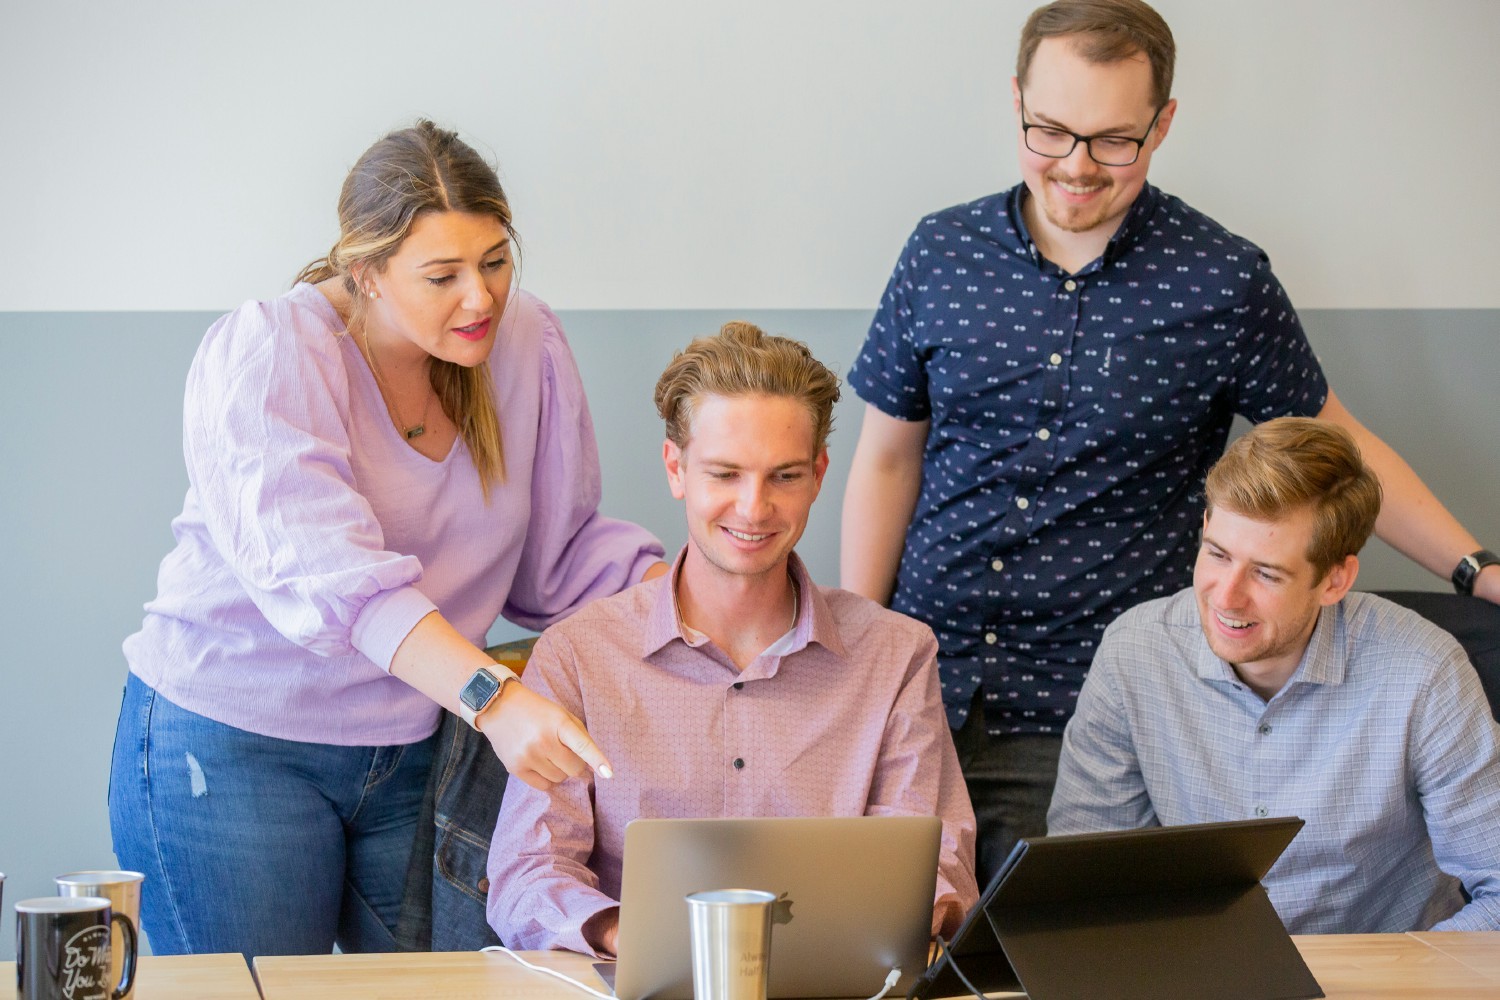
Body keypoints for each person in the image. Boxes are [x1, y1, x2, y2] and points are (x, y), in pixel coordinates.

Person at [839, 0, 1500, 886]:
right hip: (920, 690)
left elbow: (1336, 443)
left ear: (1163, 125)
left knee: (1057, 957)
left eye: (1114, 139)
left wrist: (1474, 568)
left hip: (1090, 715)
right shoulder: (941, 252)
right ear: (1017, 102)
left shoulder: (1221, 280)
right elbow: (888, 458)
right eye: (1051, 131)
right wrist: (860, 655)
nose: (1075, 166)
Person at [107, 120, 666, 959]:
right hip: (234, 750)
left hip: (412, 753)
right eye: (441, 275)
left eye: (495, 261)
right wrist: (496, 701)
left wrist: (697, 589)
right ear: (364, 272)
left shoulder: (528, 343)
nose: (479, 298)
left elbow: (556, 563)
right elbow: (340, 586)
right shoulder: (270, 351)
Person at [486, 322, 979, 955]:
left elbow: (935, 862)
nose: (753, 508)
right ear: (676, 468)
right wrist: (629, 934)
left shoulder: (897, 656)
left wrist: (903, 916)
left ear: (819, 474)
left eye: (785, 476)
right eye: (724, 474)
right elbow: (527, 873)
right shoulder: (578, 656)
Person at [1047, 417, 1500, 932]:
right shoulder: (1134, 654)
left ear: (1335, 580)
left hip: (1384, 981)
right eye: (1217, 554)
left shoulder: (1425, 672)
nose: (1226, 596)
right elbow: (1080, 888)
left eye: (1266, 573)